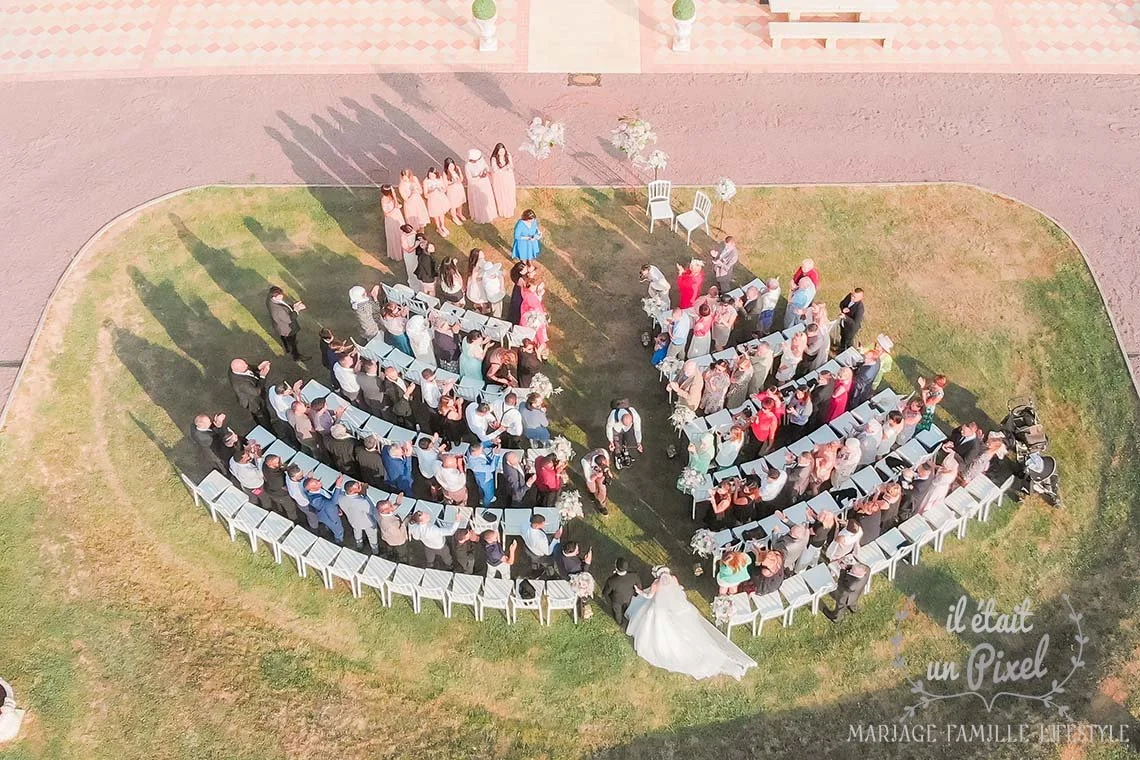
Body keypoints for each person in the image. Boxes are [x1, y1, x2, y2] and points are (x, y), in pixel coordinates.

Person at [624, 567, 757, 680]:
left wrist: (639, 591)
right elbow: (678, 589)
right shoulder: (674, 579)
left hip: (661, 610)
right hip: (676, 608)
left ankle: (733, 666)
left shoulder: (656, 584)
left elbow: (648, 596)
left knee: (662, 630)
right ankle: (736, 665)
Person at [264, 286, 308, 362]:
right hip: (287, 329)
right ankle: (296, 356)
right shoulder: (278, 310)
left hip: (279, 326)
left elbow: (285, 308)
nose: (282, 296)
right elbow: (289, 320)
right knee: (292, 342)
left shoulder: (270, 300)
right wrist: (297, 309)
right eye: (280, 296)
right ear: (274, 297)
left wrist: (293, 306)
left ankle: (287, 348)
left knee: (283, 337)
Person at [229, 358, 273, 428]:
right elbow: (257, 392)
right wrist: (262, 376)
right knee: (262, 416)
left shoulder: (238, 368)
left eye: (245, 363)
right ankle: (268, 429)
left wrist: (258, 367)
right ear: (237, 370)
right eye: (244, 366)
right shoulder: (241, 383)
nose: (247, 365)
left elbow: (249, 368)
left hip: (253, 395)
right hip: (253, 402)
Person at [338, 480, 378, 553]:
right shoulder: (362, 501)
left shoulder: (340, 497)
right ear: (353, 491)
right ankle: (375, 551)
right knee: (372, 536)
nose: (361, 486)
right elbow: (372, 511)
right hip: (367, 523)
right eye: (359, 486)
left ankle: (359, 545)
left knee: (357, 533)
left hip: (353, 521)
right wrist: (365, 494)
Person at [304, 475, 345, 543]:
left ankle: (328, 528)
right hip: (330, 517)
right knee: (338, 529)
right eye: (316, 483)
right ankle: (339, 539)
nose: (319, 482)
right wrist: (338, 485)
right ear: (312, 489)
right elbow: (332, 502)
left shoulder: (311, 491)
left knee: (329, 525)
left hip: (326, 510)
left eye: (317, 480)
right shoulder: (316, 500)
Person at [602, 558, 641, 629]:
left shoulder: (611, 580)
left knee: (617, 612)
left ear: (616, 568)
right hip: (629, 597)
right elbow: (639, 587)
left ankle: (619, 622)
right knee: (628, 608)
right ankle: (629, 617)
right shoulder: (634, 576)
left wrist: (605, 595)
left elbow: (606, 592)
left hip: (617, 601)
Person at [465, 149, 498, 224]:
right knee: (479, 199)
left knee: (487, 196)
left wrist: (485, 171)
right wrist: (479, 176)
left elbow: (486, 166)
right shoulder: (468, 166)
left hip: (484, 182)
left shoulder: (481, 160)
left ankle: (490, 213)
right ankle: (479, 215)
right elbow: (469, 179)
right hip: (476, 184)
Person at [466, 441, 503, 507]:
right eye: (481, 449)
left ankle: (482, 498)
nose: (482, 449)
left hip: (479, 478)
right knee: (489, 495)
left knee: (481, 489)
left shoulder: (472, 449)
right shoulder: (475, 465)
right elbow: (492, 468)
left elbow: (483, 444)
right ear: (476, 452)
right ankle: (486, 504)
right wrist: (496, 454)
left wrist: (492, 441)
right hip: (486, 480)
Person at [376, 494, 410, 562]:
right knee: (401, 551)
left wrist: (397, 503)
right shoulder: (391, 525)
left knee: (389, 546)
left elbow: (389, 510)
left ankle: (390, 553)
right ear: (384, 511)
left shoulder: (379, 513)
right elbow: (400, 532)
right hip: (399, 541)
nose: (392, 505)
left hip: (387, 538)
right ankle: (402, 559)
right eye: (390, 505)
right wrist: (408, 518)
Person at [518, 277, 550, 348]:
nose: (534, 290)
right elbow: (536, 307)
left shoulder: (525, 291)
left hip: (526, 314)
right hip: (532, 317)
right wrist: (543, 315)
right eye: (534, 288)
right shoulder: (530, 296)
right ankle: (536, 344)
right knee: (536, 332)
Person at [490, 142, 517, 218]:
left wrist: (507, 168)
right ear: (497, 151)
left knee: (509, 192)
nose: (502, 153)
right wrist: (505, 168)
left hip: (508, 177)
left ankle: (510, 208)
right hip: (499, 179)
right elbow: (496, 170)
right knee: (502, 193)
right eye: (500, 151)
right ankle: (503, 210)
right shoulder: (494, 159)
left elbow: (511, 166)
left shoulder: (508, 155)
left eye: (503, 151)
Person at [380, 184, 406, 262]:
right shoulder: (383, 200)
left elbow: (396, 204)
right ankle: (396, 253)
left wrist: (394, 196)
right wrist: (394, 209)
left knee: (401, 232)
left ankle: (403, 249)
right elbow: (386, 214)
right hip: (391, 219)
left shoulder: (391, 196)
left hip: (397, 215)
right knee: (394, 234)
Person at [442, 157, 467, 225]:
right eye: (450, 166)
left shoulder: (457, 169)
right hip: (452, 190)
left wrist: (459, 180)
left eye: (452, 165)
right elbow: (445, 183)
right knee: (453, 204)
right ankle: (454, 217)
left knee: (460, 202)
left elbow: (461, 178)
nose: (452, 167)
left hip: (459, 188)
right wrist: (452, 182)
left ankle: (459, 213)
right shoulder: (445, 173)